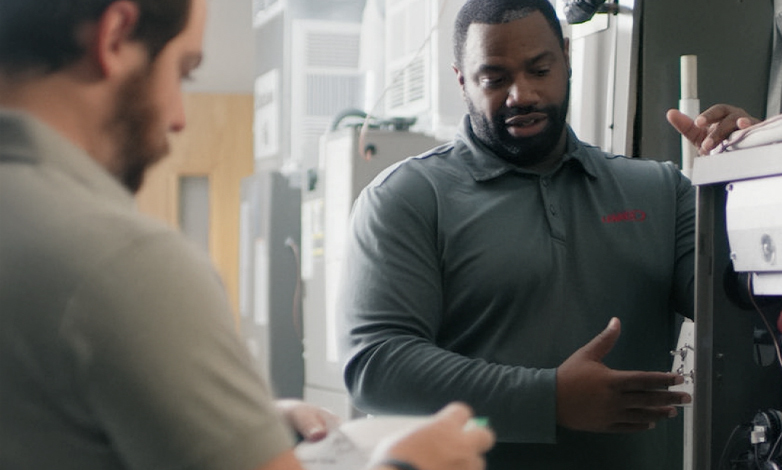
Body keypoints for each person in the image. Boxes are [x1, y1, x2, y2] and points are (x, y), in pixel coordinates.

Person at [0, 1, 493, 469]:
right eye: (182, 71)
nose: (178, 117)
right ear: (115, 38)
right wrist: (409, 463)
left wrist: (236, 432)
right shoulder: (123, 261)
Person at [339, 0, 696, 468]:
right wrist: (548, 400)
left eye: (539, 69)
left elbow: (745, 307)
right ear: (461, 80)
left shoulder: (661, 191)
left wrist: (746, 169)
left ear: (567, 58)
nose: (520, 94)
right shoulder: (408, 198)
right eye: (494, 78)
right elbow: (376, 366)